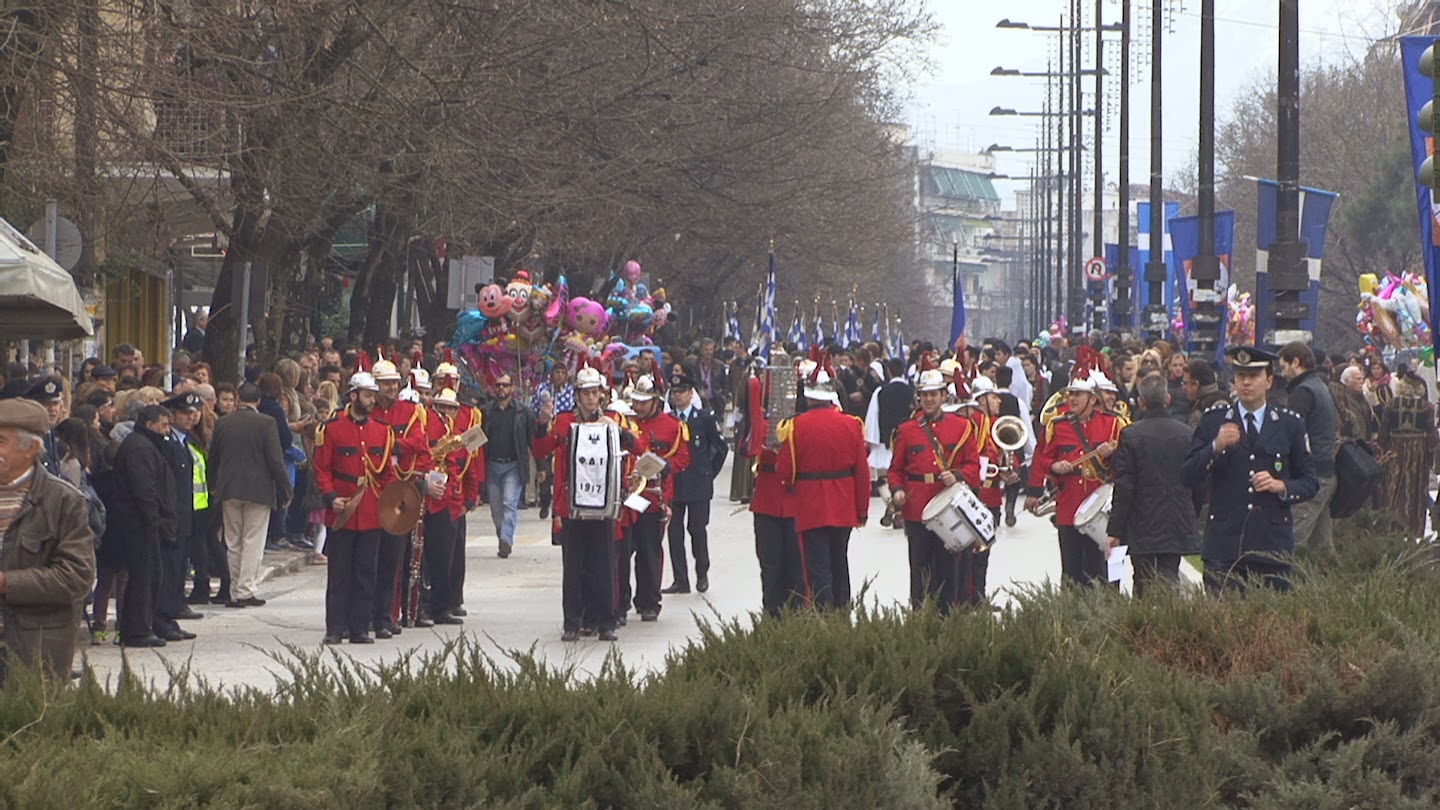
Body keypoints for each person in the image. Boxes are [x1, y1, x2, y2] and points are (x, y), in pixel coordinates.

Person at [1181, 346, 1319, 593]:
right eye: (1240, 375)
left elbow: (1310, 482)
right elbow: (1188, 474)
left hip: (1271, 545)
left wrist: (1282, 486)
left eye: (1254, 376)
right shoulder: (1215, 420)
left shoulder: (1289, 424)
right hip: (1225, 544)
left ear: (1268, 381)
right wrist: (1215, 446)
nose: (1246, 382)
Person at [533, 366, 638, 642]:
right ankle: (572, 622)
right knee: (573, 567)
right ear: (577, 396)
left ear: (602, 395)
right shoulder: (565, 421)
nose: (591, 399)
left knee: (604, 566)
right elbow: (542, 449)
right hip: (573, 506)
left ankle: (606, 622)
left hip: (603, 507)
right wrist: (542, 424)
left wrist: (620, 434)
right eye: (586, 393)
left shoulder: (613, 420)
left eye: (595, 393)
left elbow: (635, 448)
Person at [0, 399, 96, 682]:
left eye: (1, 441)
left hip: (35, 650)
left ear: (30, 449)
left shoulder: (64, 502)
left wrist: (7, 582)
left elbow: (77, 577)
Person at [313, 372, 398, 644]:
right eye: (367, 394)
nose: (372, 399)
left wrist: (389, 503)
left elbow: (386, 474)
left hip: (371, 511)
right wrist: (330, 497)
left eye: (373, 395)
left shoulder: (382, 432)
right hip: (343, 509)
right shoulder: (332, 428)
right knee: (339, 574)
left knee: (366, 573)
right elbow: (322, 469)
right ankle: (335, 628)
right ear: (352, 396)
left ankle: (360, 627)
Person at [887, 369, 981, 612]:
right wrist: (897, 490)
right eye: (924, 395)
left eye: (934, 394)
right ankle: (919, 616)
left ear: (943, 395)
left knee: (948, 569)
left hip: (948, 509)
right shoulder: (906, 430)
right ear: (919, 397)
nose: (929, 399)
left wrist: (958, 475)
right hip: (917, 508)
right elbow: (895, 469)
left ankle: (946, 619)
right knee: (919, 569)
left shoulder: (962, 427)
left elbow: (973, 467)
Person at [777, 369, 869, 609]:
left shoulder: (794, 426)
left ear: (807, 397)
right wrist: (862, 510)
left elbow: (785, 472)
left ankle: (824, 614)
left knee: (817, 565)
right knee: (840, 561)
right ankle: (842, 611)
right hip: (844, 502)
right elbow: (862, 471)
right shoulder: (852, 424)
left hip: (810, 504)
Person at [1024, 368, 1124, 587]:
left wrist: (1113, 454)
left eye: (1078, 394)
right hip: (1070, 505)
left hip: (1103, 507)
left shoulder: (1114, 424)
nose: (1072, 398)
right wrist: (1054, 466)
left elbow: (1127, 465)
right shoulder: (1058, 426)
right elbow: (1042, 459)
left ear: (1092, 398)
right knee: (1072, 570)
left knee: (1108, 569)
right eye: (1070, 394)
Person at [1105, 373, 1199, 597]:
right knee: (1169, 575)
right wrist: (1190, 510)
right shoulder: (1187, 434)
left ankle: (1144, 627)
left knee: (1143, 580)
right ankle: (1169, 624)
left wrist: (1115, 529)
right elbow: (1197, 481)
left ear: (1141, 402)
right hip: (1176, 516)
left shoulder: (1130, 435)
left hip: (1141, 520)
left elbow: (1125, 486)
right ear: (1168, 399)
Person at [207, 383, 294, 609]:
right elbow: (275, 460)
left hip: (228, 488)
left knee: (233, 540)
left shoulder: (223, 423)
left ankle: (235, 591)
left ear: (237, 399)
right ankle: (246, 589)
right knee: (253, 540)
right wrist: (285, 488)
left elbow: (213, 457)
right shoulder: (267, 423)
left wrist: (213, 484)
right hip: (259, 489)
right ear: (258, 402)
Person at [368, 358, 436, 634]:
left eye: (395, 383)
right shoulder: (365, 411)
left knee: (393, 558)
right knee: (368, 558)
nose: (391, 388)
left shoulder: (410, 411)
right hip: (372, 490)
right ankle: (365, 615)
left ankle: (387, 616)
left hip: (402, 489)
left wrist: (391, 442)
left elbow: (420, 442)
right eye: (386, 384)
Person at [110, 404, 177, 647]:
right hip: (139, 525)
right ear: (150, 425)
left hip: (144, 523)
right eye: (164, 425)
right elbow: (144, 490)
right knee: (143, 577)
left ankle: (142, 625)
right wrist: (153, 521)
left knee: (149, 576)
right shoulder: (139, 448)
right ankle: (136, 629)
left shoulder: (146, 445)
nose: (167, 430)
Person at [625, 375, 690, 618]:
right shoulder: (625, 421)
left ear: (655, 400)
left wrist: (662, 465)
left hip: (654, 499)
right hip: (626, 498)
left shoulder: (672, 426)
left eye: (644, 402)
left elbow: (683, 458)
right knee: (621, 554)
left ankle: (649, 602)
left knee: (650, 553)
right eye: (636, 401)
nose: (638, 406)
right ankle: (621, 602)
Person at [663, 374, 727, 595]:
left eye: (682, 391)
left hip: (699, 484)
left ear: (691, 394)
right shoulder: (669, 420)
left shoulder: (704, 418)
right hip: (675, 483)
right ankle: (680, 580)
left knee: (697, 529)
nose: (677, 395)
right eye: (674, 392)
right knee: (674, 532)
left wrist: (709, 473)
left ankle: (702, 573)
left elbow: (721, 448)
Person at [1277, 342, 1338, 554]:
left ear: (1296, 362)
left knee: (1291, 541)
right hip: (1326, 470)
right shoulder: (1319, 386)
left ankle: (1285, 586)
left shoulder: (1302, 392)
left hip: (1312, 475)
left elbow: (1291, 435)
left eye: (1284, 367)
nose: (1282, 373)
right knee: (1321, 547)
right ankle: (1334, 583)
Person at [153, 392, 202, 641]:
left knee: (179, 568)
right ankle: (163, 618)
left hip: (185, 515)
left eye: (194, 413)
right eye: (185, 413)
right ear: (172, 416)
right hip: (173, 516)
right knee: (169, 570)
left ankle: (172, 615)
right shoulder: (168, 442)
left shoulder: (184, 441)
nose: (191, 417)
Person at [481, 372, 539, 559]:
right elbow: (479, 440)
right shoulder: (487, 411)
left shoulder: (523, 412)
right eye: (498, 385)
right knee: (496, 508)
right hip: (492, 464)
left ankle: (507, 538)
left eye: (505, 385)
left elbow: (533, 440)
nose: (501, 389)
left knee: (509, 502)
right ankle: (502, 536)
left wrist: (542, 466)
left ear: (512, 388)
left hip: (513, 465)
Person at [1375, 367, 1436, 537]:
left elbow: (1383, 433)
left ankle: (1390, 526)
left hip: (1395, 449)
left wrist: (1382, 450)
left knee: (1393, 488)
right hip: (1418, 452)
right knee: (1415, 489)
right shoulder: (1427, 407)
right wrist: (1432, 457)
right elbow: (1432, 436)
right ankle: (1413, 528)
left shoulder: (1391, 404)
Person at [531, 364, 574, 520]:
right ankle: (544, 502)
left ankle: (558, 509)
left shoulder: (571, 391)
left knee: (561, 476)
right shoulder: (543, 389)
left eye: (563, 372)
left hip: (562, 436)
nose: (560, 376)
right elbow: (533, 409)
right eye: (557, 372)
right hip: (545, 434)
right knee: (544, 474)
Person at [1182, 360, 1227, 429]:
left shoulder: (1218, 406)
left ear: (1195, 384)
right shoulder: (1198, 402)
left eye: (1185, 383)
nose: (1183, 388)